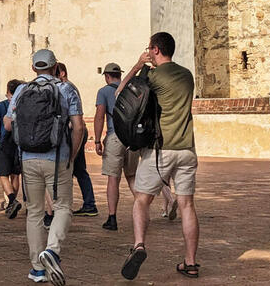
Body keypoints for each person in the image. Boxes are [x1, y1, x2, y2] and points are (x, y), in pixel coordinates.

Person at [119, 32, 199, 280]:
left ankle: (139, 244)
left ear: (154, 49)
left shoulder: (152, 76)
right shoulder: (187, 75)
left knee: (142, 200)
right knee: (186, 204)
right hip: (187, 148)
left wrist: (138, 64)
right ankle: (191, 262)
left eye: (149, 49)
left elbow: (121, 94)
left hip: (160, 150)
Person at [4, 49, 84, 286]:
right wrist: (73, 155)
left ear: (33, 68)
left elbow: (8, 125)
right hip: (57, 156)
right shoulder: (66, 89)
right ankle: (52, 249)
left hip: (28, 158)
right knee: (63, 207)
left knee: (35, 212)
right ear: (56, 67)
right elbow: (78, 126)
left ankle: (37, 269)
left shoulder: (20, 90)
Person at [94, 62, 139, 231]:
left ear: (106, 76)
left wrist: (97, 140)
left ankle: (112, 218)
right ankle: (142, 210)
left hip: (115, 136)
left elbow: (99, 116)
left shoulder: (104, 91)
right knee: (132, 176)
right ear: (120, 75)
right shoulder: (132, 89)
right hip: (132, 138)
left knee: (113, 178)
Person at [55, 63, 97, 218]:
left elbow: (74, 119)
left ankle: (81, 204)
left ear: (62, 73)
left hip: (74, 132)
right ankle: (89, 203)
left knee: (71, 167)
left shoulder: (66, 88)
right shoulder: (68, 87)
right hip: (76, 131)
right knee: (78, 169)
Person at [0, 79, 24, 218]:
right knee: (15, 175)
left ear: (8, 91)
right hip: (19, 143)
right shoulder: (23, 104)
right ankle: (11, 204)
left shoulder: (1, 106)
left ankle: (11, 200)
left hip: (5, 142)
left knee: (3, 174)